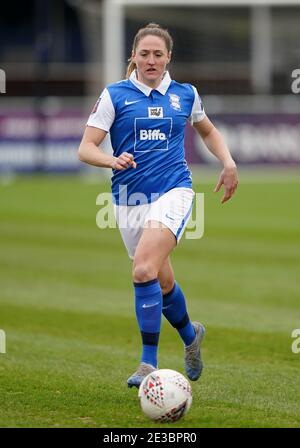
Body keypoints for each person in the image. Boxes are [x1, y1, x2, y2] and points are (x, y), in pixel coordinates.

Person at [78, 23, 238, 389]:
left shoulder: (185, 94)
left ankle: (148, 363)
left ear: (169, 58)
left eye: (158, 54)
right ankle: (190, 335)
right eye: (144, 53)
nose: (151, 60)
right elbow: (86, 148)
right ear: (133, 56)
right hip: (128, 200)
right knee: (161, 281)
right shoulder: (114, 95)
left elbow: (208, 131)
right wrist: (111, 161)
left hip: (174, 192)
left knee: (143, 269)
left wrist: (227, 161)